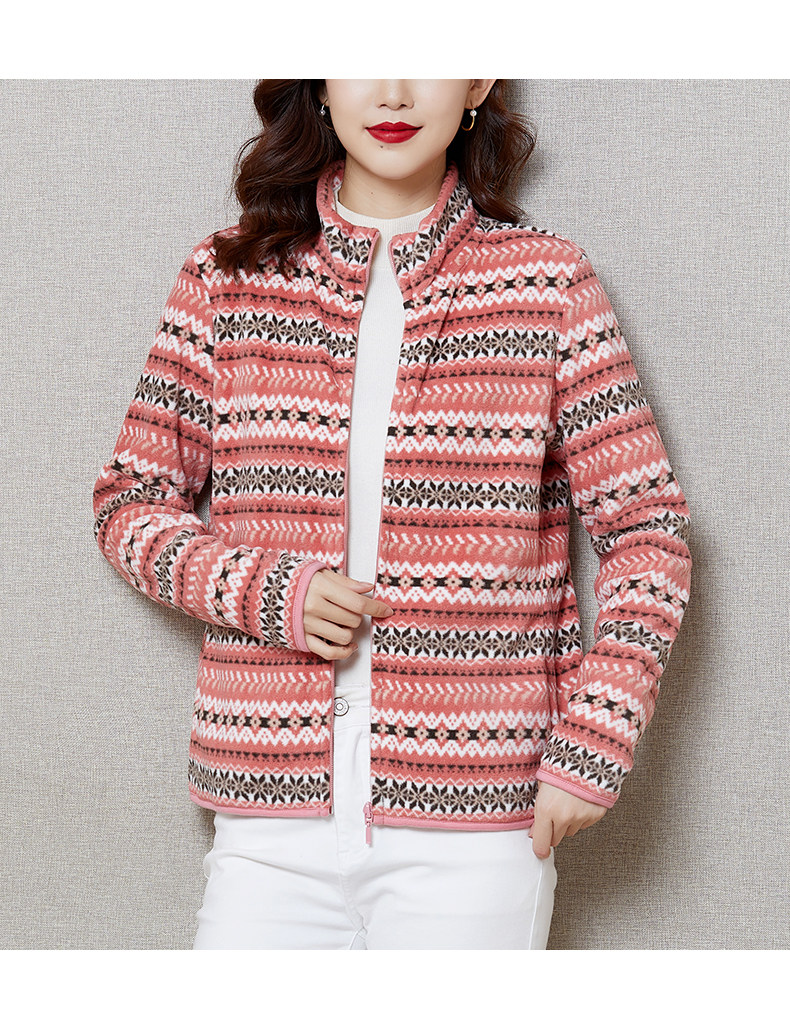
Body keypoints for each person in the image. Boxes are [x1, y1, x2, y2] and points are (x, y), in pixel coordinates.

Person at [92, 79, 693, 950]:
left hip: (479, 824)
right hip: (268, 817)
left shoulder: (547, 282)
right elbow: (129, 501)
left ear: (478, 80)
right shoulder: (226, 277)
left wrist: (595, 736)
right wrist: (270, 591)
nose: (395, 90)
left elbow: (649, 531)